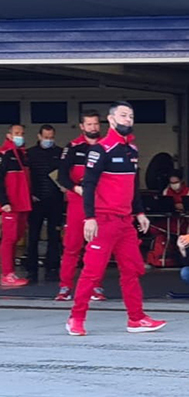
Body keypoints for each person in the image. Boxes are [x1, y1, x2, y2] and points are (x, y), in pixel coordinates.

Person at [65, 101, 166, 336]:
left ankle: (136, 318)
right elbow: (88, 185)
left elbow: (132, 186)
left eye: (131, 116)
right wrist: (89, 217)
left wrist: (140, 212)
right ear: (111, 120)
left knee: (132, 270)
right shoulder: (100, 150)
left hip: (125, 222)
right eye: (123, 115)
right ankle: (76, 318)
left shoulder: (132, 150)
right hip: (103, 220)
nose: (128, 120)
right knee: (92, 272)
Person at [56, 110, 107, 301]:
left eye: (96, 124)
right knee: (71, 246)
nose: (93, 127)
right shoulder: (72, 147)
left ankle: (96, 286)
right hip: (77, 202)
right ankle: (65, 286)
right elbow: (61, 176)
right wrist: (76, 189)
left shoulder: (106, 147)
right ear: (82, 126)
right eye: (89, 124)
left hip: (101, 202)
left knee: (97, 246)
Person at [25, 124, 64, 284]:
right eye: (46, 137)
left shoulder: (60, 153)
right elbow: (26, 178)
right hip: (36, 201)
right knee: (33, 236)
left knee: (54, 237)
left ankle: (52, 269)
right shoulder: (30, 154)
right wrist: (30, 194)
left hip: (55, 200)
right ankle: (31, 270)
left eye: (51, 137)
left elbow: (64, 175)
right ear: (39, 136)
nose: (49, 140)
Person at [0, 124, 32, 288]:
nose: (20, 136)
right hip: (10, 205)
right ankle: (7, 274)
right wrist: (4, 202)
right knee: (9, 238)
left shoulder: (21, 154)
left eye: (22, 133)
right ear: (9, 135)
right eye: (17, 133)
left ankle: (10, 271)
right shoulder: (4, 155)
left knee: (16, 238)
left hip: (22, 204)